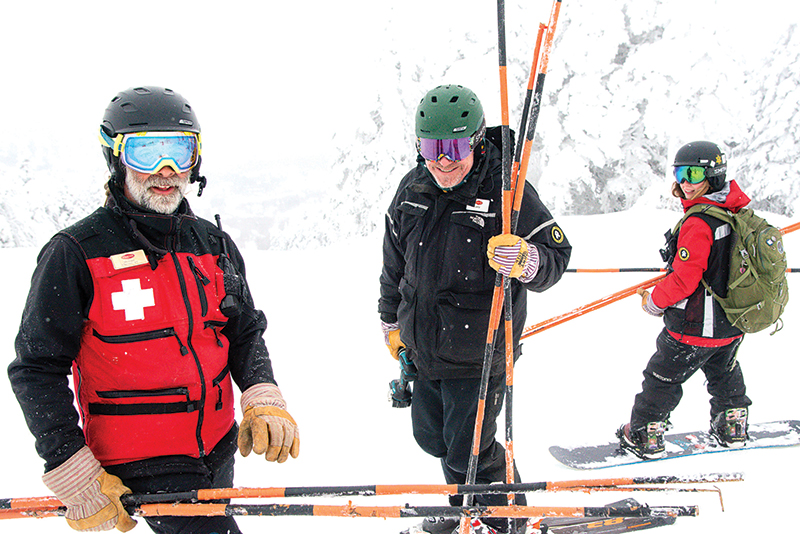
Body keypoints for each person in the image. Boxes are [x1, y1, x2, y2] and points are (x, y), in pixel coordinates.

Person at [8, 86, 300, 534]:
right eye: (147, 152)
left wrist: (262, 392)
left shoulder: (212, 244)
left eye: (179, 152)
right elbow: (37, 368)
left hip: (216, 446)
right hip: (141, 458)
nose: (165, 171)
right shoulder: (76, 253)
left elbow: (243, 331)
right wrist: (70, 464)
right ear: (117, 157)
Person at [379, 84, 572, 534]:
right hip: (424, 351)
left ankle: (504, 519)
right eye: (431, 148)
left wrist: (527, 259)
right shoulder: (412, 190)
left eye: (455, 147)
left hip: (480, 355)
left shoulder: (508, 188)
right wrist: (391, 323)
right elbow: (393, 265)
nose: (443, 161)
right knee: (436, 440)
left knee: (471, 448)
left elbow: (556, 255)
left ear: (478, 140)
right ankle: (465, 507)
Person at [617, 140, 752, 460]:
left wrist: (656, 301)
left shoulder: (699, 223)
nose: (685, 182)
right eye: (680, 173)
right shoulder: (734, 213)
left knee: (662, 377)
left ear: (714, 176)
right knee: (724, 370)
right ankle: (732, 422)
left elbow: (685, 278)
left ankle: (645, 431)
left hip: (692, 326)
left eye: (694, 173)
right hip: (731, 323)